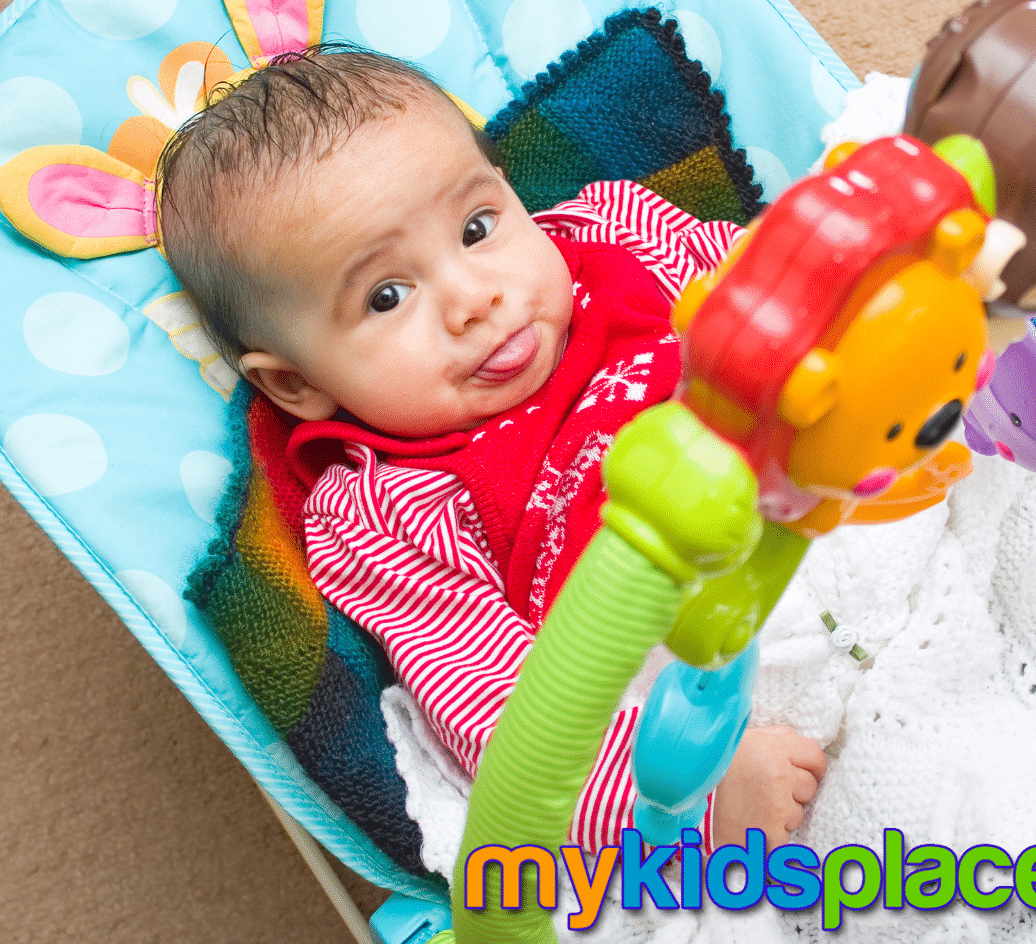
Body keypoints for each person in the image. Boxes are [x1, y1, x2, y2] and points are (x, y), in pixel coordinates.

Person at [158, 44, 826, 857]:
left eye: (478, 228)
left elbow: (799, 298)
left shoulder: (624, 230)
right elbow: (511, 724)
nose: (476, 299)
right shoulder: (381, 511)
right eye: (387, 296)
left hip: (840, 503)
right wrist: (692, 792)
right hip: (695, 698)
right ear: (296, 384)